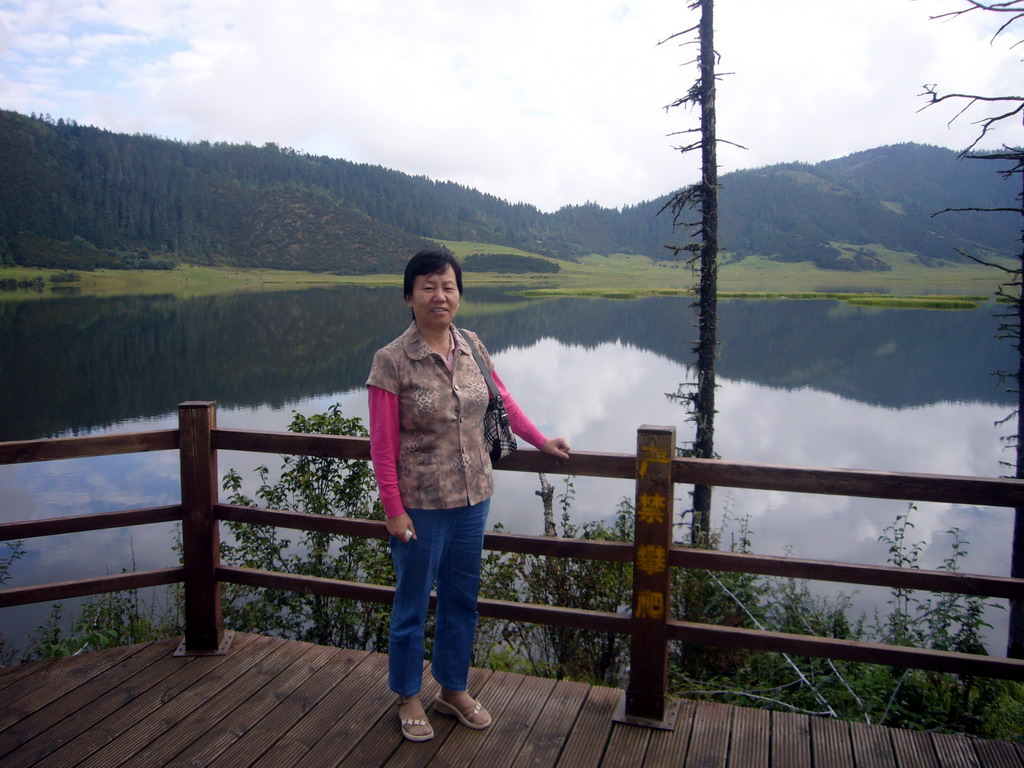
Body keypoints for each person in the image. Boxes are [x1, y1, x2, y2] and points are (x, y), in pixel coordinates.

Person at [366, 248, 571, 742]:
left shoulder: (473, 345)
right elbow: (381, 445)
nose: (440, 296)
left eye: (449, 286)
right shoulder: (392, 360)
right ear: (409, 296)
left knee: (462, 599)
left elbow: (502, 403)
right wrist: (393, 510)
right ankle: (408, 694)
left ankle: (452, 688)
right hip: (420, 505)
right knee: (412, 602)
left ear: (459, 293)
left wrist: (541, 440)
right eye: (428, 286)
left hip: (474, 497)